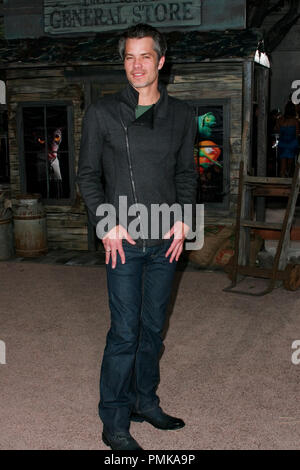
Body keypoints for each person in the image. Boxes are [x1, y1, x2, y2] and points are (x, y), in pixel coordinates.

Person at [77, 23, 197, 450]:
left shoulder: (182, 115)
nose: (136, 64)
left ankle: (145, 401)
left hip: (166, 241)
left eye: (145, 56)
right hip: (122, 241)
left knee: (152, 328)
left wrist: (184, 219)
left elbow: (187, 174)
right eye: (129, 57)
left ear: (161, 61)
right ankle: (114, 419)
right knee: (125, 331)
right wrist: (105, 222)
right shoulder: (102, 113)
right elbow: (88, 177)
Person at [275, 101, 300, 177]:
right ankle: (288, 172)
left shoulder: (280, 120)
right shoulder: (295, 121)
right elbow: (297, 134)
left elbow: (277, 131)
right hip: (292, 144)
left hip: (282, 143)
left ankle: (283, 173)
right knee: (290, 154)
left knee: (283, 156)